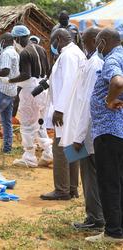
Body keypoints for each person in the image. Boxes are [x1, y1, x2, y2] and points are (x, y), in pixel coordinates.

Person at [60, 27, 105, 230]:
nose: (84, 45)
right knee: (92, 175)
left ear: (94, 42)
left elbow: (89, 102)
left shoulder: (95, 63)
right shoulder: (93, 60)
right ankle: (95, 216)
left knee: (90, 176)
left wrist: (78, 136)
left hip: (87, 132)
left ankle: (96, 218)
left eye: (85, 42)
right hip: (87, 128)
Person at [85, 28, 123, 243]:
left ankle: (113, 232)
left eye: (98, 42)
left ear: (104, 41)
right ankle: (119, 228)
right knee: (119, 180)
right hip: (119, 131)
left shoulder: (112, 60)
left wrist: (109, 100)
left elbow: (117, 83)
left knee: (108, 182)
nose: (97, 46)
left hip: (108, 130)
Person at [40, 28, 86, 200]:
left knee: (60, 149)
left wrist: (59, 109)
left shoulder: (68, 56)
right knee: (72, 147)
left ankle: (61, 190)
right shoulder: (76, 53)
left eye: (52, 41)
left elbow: (68, 82)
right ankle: (72, 188)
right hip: (73, 109)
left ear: (58, 39)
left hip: (66, 109)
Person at [9, 25, 53, 168]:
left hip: (30, 92)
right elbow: (47, 71)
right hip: (43, 89)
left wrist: (9, 80)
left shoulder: (24, 53)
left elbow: (26, 75)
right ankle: (48, 153)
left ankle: (29, 157)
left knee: (27, 126)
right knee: (40, 123)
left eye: (14, 39)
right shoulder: (40, 49)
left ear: (17, 38)